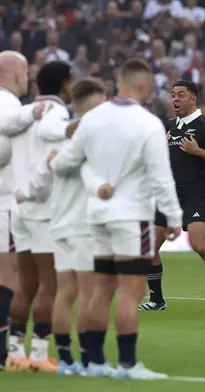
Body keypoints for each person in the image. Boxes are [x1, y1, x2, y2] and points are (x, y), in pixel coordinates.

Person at [48, 58, 182, 378]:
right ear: (143, 85)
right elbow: (161, 176)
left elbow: (65, 162)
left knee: (100, 291)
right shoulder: (148, 123)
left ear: (117, 81)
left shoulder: (93, 119)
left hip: (96, 217)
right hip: (132, 216)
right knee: (131, 290)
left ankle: (94, 361)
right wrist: (174, 217)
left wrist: (57, 161)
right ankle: (128, 363)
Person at [139, 80, 205, 313]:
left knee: (200, 245)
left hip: (192, 194)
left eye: (181, 95)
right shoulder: (169, 126)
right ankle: (157, 300)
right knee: (149, 247)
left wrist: (198, 152)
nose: (175, 99)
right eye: (173, 95)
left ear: (193, 98)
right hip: (166, 196)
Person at [2, 60, 72, 373]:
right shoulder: (57, 114)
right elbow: (51, 161)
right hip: (43, 208)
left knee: (25, 284)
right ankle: (40, 355)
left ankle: (16, 353)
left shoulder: (23, 113)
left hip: (19, 209)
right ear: (65, 84)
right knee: (49, 285)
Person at [37, 77, 109, 375]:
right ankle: (88, 359)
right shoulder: (90, 135)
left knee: (66, 292)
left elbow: (50, 163)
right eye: (103, 101)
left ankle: (65, 359)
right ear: (93, 102)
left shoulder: (61, 133)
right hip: (82, 224)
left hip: (60, 222)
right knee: (89, 293)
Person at [0, 51, 30, 371]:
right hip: (4, 202)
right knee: (8, 276)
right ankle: (1, 353)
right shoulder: (10, 108)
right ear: (17, 74)